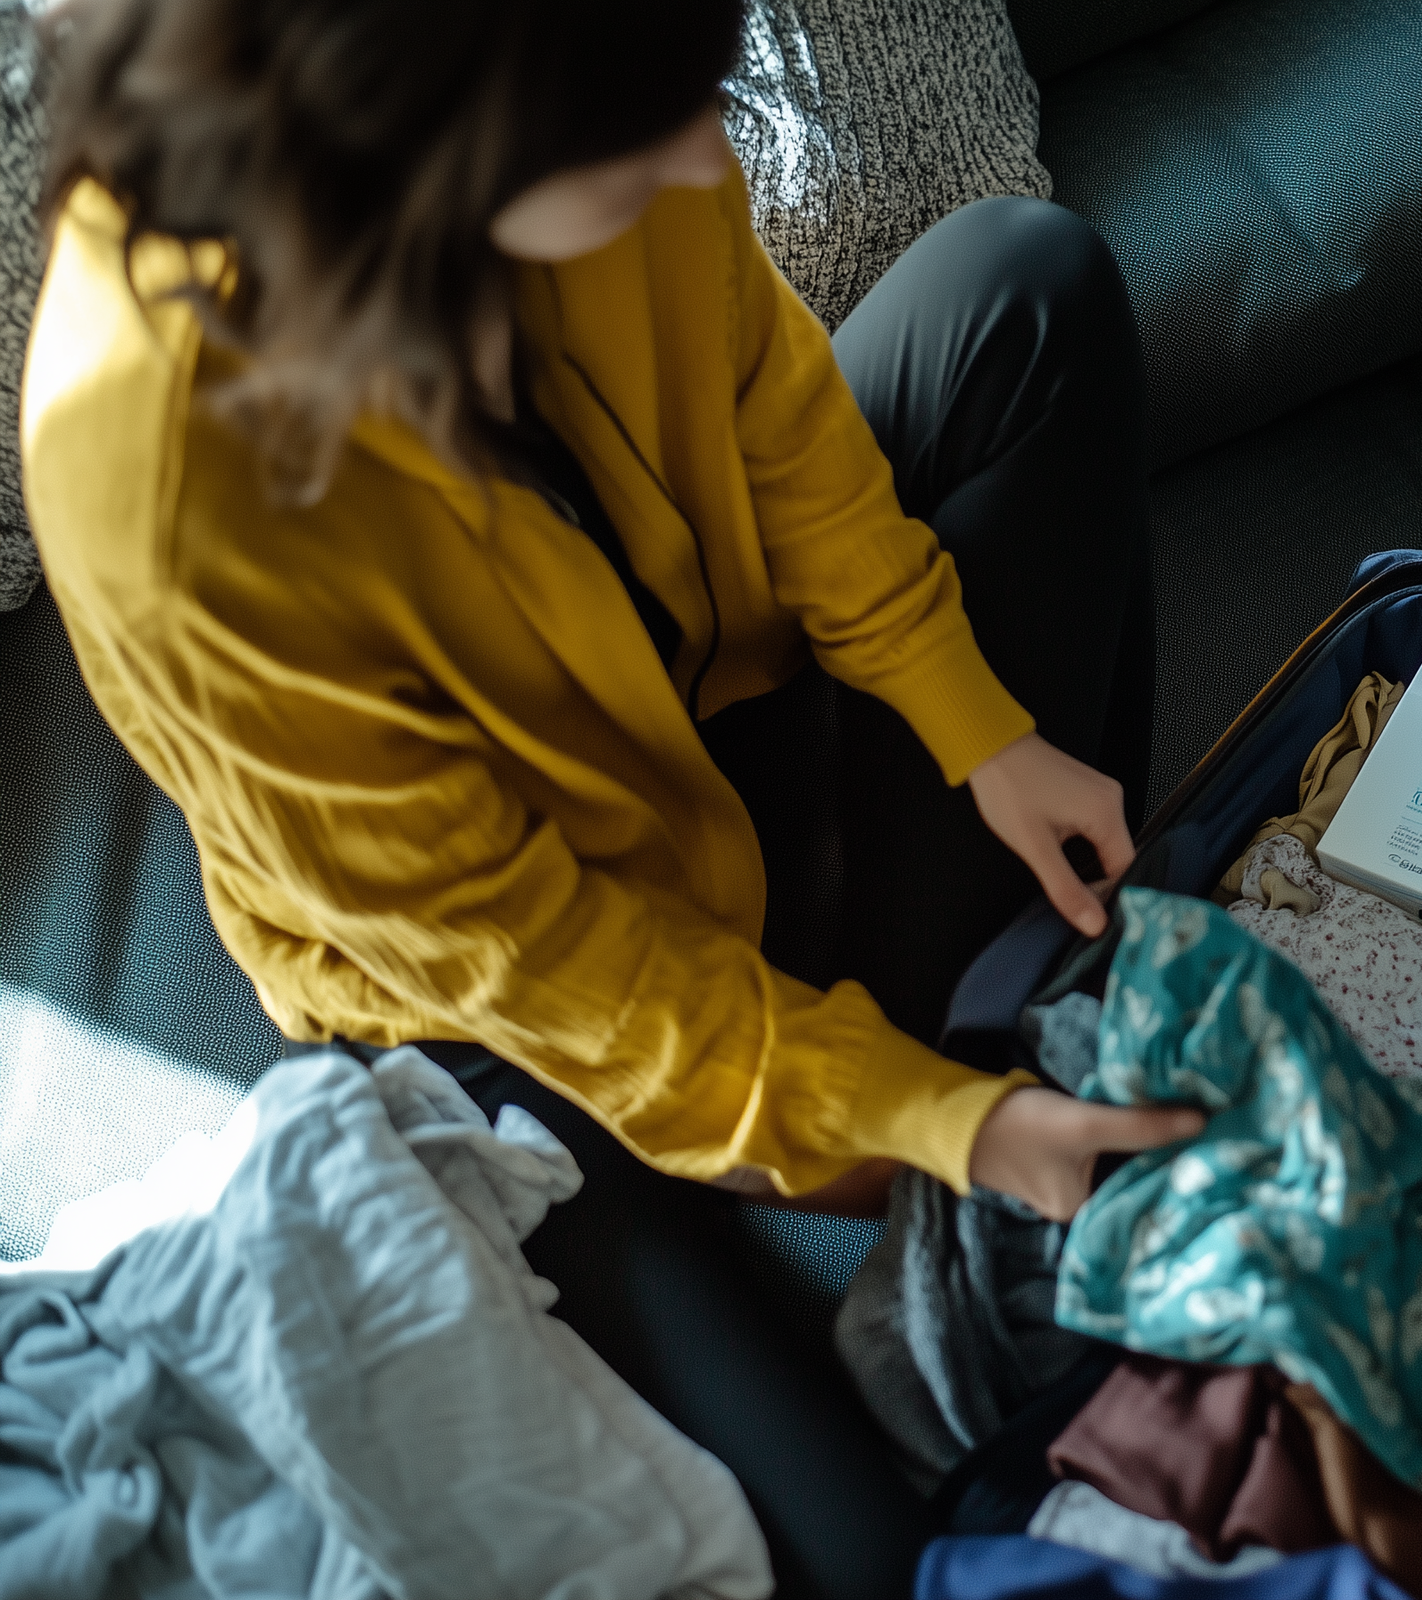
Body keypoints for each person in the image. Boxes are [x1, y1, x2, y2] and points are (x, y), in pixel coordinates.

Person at [22, 0, 1203, 1591]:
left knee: (1024, 284)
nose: (703, 160)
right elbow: (554, 966)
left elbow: (770, 404)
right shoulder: (163, 491)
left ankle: (972, 1091)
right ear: (428, 158)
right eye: (644, 135)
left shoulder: (598, 83)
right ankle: (958, 1118)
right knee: (859, 1557)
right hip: (517, 1011)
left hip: (721, 708)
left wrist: (969, 714)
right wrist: (945, 1125)